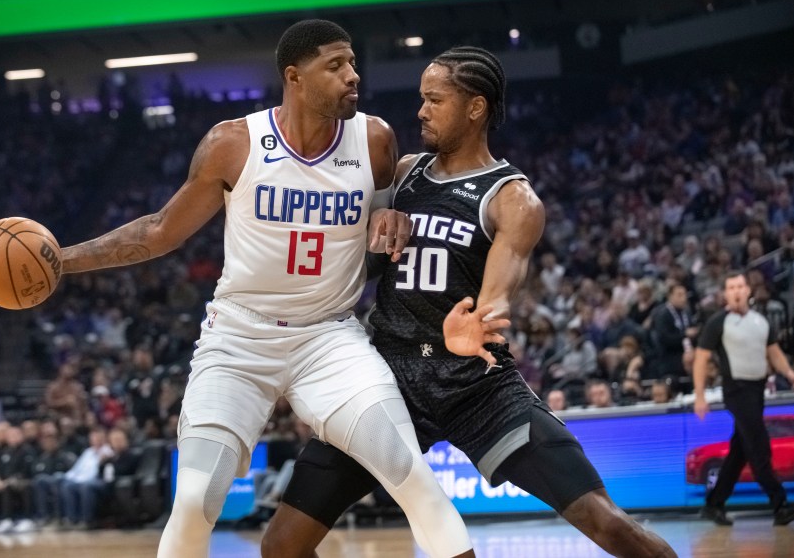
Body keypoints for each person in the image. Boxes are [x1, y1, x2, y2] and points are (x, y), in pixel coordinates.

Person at [58, 19, 474, 557]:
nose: (354, 75)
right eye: (336, 65)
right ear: (294, 77)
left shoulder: (374, 140)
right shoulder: (233, 143)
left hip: (330, 339)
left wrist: (389, 218)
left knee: (410, 473)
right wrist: (60, 263)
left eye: (352, 62)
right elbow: (161, 232)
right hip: (239, 339)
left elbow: (380, 229)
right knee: (195, 500)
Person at [262, 46, 675, 558]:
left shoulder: (510, 198)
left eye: (435, 100)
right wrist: (372, 228)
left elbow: (501, 290)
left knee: (606, 523)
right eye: (421, 99)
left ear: (474, 107)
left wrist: (480, 319)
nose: (421, 110)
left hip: (475, 383)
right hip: (386, 377)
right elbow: (354, 260)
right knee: (281, 546)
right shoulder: (404, 172)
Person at [693, 272, 794, 526]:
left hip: (757, 390)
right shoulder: (718, 322)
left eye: (740, 286)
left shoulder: (760, 322)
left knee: (740, 451)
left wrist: (790, 373)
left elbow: (774, 353)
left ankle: (714, 504)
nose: (737, 291)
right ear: (726, 294)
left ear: (748, 290)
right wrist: (699, 395)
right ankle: (780, 504)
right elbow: (701, 359)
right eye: (731, 288)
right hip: (736, 390)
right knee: (759, 445)